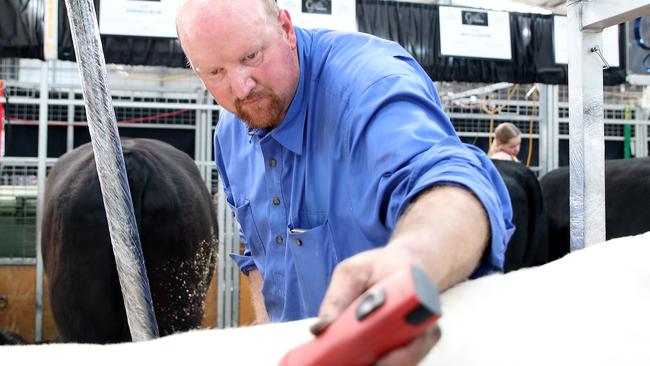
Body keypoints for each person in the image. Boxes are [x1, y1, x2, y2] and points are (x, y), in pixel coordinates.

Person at [176, 0, 514, 363]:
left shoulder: (369, 86)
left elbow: (449, 182)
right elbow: (258, 254)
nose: (240, 88)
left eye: (252, 56)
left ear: (286, 29)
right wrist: (268, 328)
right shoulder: (230, 132)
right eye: (214, 72)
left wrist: (411, 258)